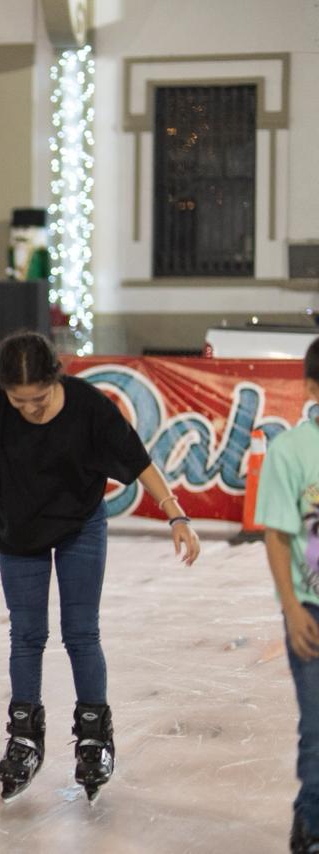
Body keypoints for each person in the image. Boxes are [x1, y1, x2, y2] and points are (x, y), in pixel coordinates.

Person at [0, 331, 201, 803]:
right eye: (19, 399)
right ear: (3, 388)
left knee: (81, 632)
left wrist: (175, 513)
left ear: (56, 378)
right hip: (18, 530)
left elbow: (139, 462)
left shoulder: (90, 407)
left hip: (79, 525)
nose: (31, 409)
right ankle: (25, 736)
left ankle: (94, 736)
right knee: (26, 635)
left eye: (40, 398)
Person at [254, 337, 319, 851]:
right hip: (311, 608)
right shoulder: (291, 451)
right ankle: (312, 826)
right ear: (312, 389)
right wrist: (292, 608)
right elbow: (277, 534)